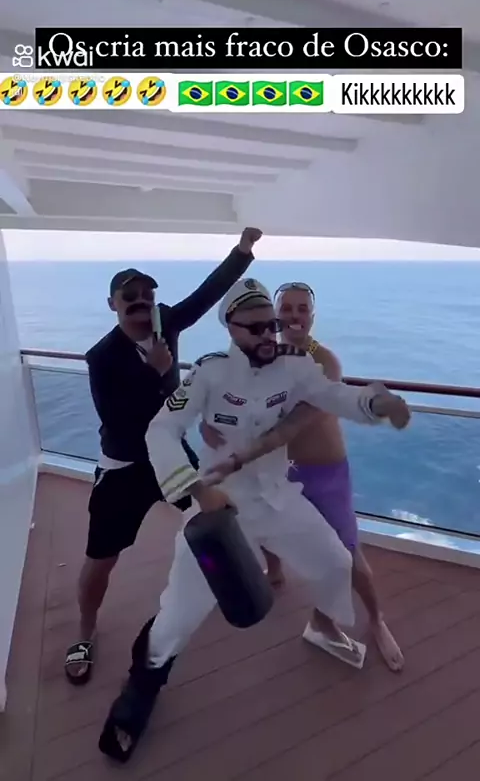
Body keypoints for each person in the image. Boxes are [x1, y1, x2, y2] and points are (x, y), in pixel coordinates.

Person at [97, 277, 410, 762]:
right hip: (219, 512)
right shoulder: (209, 373)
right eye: (257, 327)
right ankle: (143, 684)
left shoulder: (295, 365)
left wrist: (375, 403)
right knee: (178, 615)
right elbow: (161, 429)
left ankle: (322, 626)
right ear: (231, 327)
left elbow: (335, 395)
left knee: (335, 563)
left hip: (279, 501)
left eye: (273, 325)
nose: (270, 334)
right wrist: (196, 488)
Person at [64, 228, 262, 685]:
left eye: (147, 295)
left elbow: (206, 295)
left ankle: (222, 582)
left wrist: (242, 252)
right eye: (129, 296)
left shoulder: (166, 322)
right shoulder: (102, 358)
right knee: (101, 558)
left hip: (170, 454)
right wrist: (156, 374)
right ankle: (85, 631)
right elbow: (118, 422)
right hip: (126, 467)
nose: (141, 301)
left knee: (216, 517)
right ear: (113, 304)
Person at [201, 281, 404, 672]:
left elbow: (292, 422)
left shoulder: (324, 362)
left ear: (312, 316)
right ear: (275, 315)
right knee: (265, 525)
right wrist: (208, 422)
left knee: (347, 553)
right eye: (287, 309)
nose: (294, 316)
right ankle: (276, 574)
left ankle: (374, 619)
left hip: (325, 474)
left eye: (302, 309)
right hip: (279, 469)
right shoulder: (262, 359)